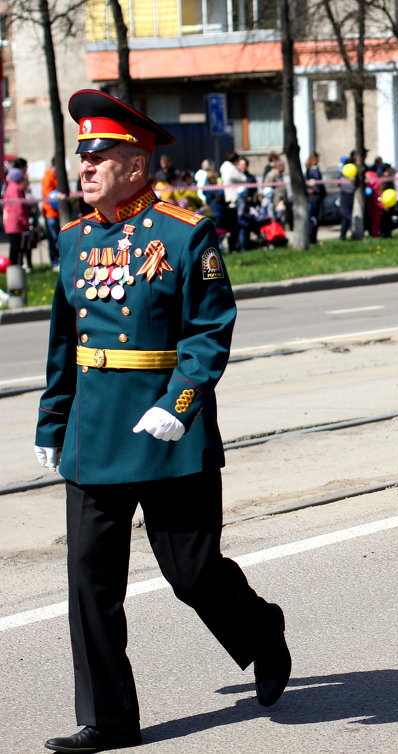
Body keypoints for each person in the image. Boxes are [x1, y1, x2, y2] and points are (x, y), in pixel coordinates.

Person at [33, 89, 290, 754]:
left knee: (192, 574)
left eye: (99, 157)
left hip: (170, 435)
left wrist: (178, 405)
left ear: (137, 166)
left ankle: (260, 630)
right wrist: (50, 422)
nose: (84, 168)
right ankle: (110, 718)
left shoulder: (183, 234)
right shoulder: (73, 240)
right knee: (90, 582)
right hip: (95, 434)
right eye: (82, 156)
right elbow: (66, 341)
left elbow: (209, 331)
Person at [3, 159, 33, 270]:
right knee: (17, 248)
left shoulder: (9, 187)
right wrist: (24, 221)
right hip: (16, 223)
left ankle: (13, 268)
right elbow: (18, 207)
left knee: (14, 247)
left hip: (11, 223)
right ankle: (15, 269)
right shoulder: (16, 189)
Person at [42, 165, 62, 269]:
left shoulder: (54, 176)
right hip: (50, 212)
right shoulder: (49, 177)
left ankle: (57, 261)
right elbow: (48, 194)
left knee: (56, 238)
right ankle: (54, 262)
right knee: (53, 238)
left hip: (55, 212)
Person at [305, 153, 325, 242]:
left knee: (315, 218)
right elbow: (316, 183)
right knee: (313, 217)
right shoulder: (312, 170)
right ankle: (311, 238)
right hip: (314, 197)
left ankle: (313, 238)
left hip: (316, 196)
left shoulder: (311, 169)